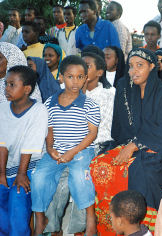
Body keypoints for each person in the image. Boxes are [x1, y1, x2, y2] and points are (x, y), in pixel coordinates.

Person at [90, 48, 162, 235]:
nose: (134, 71)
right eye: (131, 67)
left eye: (140, 66)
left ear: (152, 66)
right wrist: (126, 148)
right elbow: (119, 130)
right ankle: (111, 227)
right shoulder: (126, 90)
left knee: (140, 170)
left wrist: (135, 146)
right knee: (99, 164)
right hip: (131, 147)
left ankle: (148, 226)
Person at [31, 55, 100, 236]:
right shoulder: (50, 103)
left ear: (86, 78)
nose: (75, 81)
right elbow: (50, 131)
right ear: (61, 77)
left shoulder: (90, 105)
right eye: (70, 76)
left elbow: (92, 134)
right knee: (38, 176)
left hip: (81, 150)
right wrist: (50, 149)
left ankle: (90, 219)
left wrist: (73, 151)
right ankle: (40, 218)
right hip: (57, 151)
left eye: (80, 77)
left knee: (79, 176)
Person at [0, 66, 48, 236]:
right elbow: (2, 144)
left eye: (12, 84)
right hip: (6, 167)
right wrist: (1, 175)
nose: (6, 88)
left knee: (18, 198)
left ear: (27, 89)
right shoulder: (3, 109)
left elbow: (30, 145)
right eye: (6, 84)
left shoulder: (39, 110)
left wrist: (21, 174)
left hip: (29, 169)